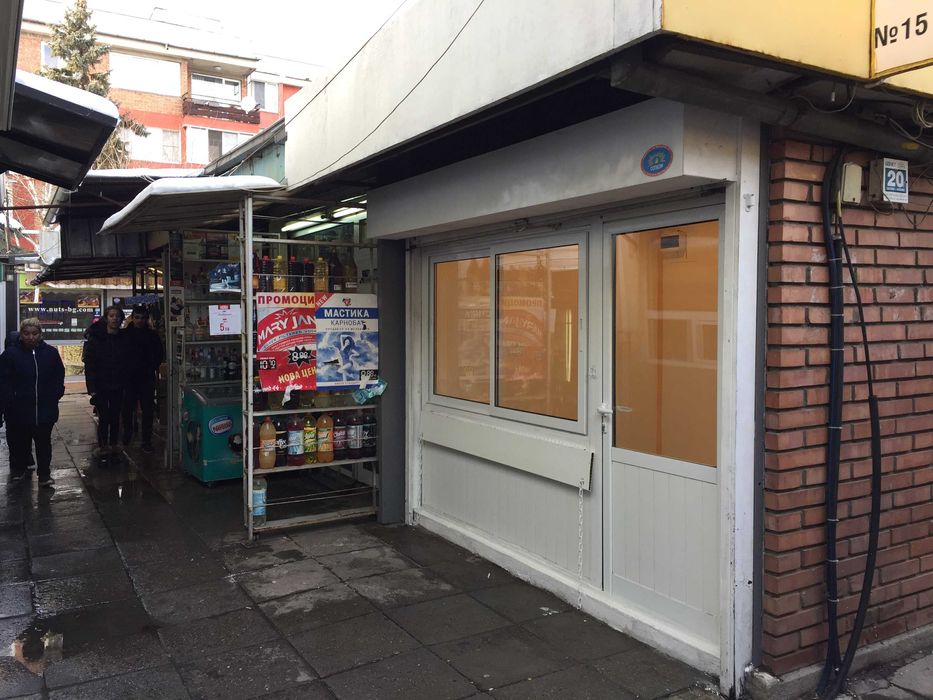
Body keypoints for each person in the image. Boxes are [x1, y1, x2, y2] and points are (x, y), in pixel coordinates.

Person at [0, 318, 66, 487]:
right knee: (19, 443)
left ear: (40, 334)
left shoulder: (50, 353)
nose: (30, 337)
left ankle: (44, 474)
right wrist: (9, 401)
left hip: (44, 409)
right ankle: (20, 469)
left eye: (34, 333)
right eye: (26, 333)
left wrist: (56, 393)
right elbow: (3, 381)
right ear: (21, 335)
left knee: (44, 443)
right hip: (19, 410)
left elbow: (59, 374)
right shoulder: (10, 355)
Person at [82, 305, 128, 461]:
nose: (114, 319)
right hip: (101, 384)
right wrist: (92, 388)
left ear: (121, 319)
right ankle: (103, 446)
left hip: (119, 383)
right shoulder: (96, 339)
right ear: (106, 318)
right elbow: (89, 365)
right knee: (104, 416)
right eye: (111, 316)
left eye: (117, 316)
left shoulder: (123, 338)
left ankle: (114, 443)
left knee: (115, 415)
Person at [121, 304, 163, 453]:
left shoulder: (151, 335)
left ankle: (146, 440)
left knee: (147, 411)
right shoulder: (124, 335)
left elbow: (159, 354)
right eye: (137, 317)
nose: (140, 320)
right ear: (132, 318)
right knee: (127, 409)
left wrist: (150, 367)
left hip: (145, 377)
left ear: (146, 319)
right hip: (130, 378)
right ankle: (128, 434)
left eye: (143, 318)